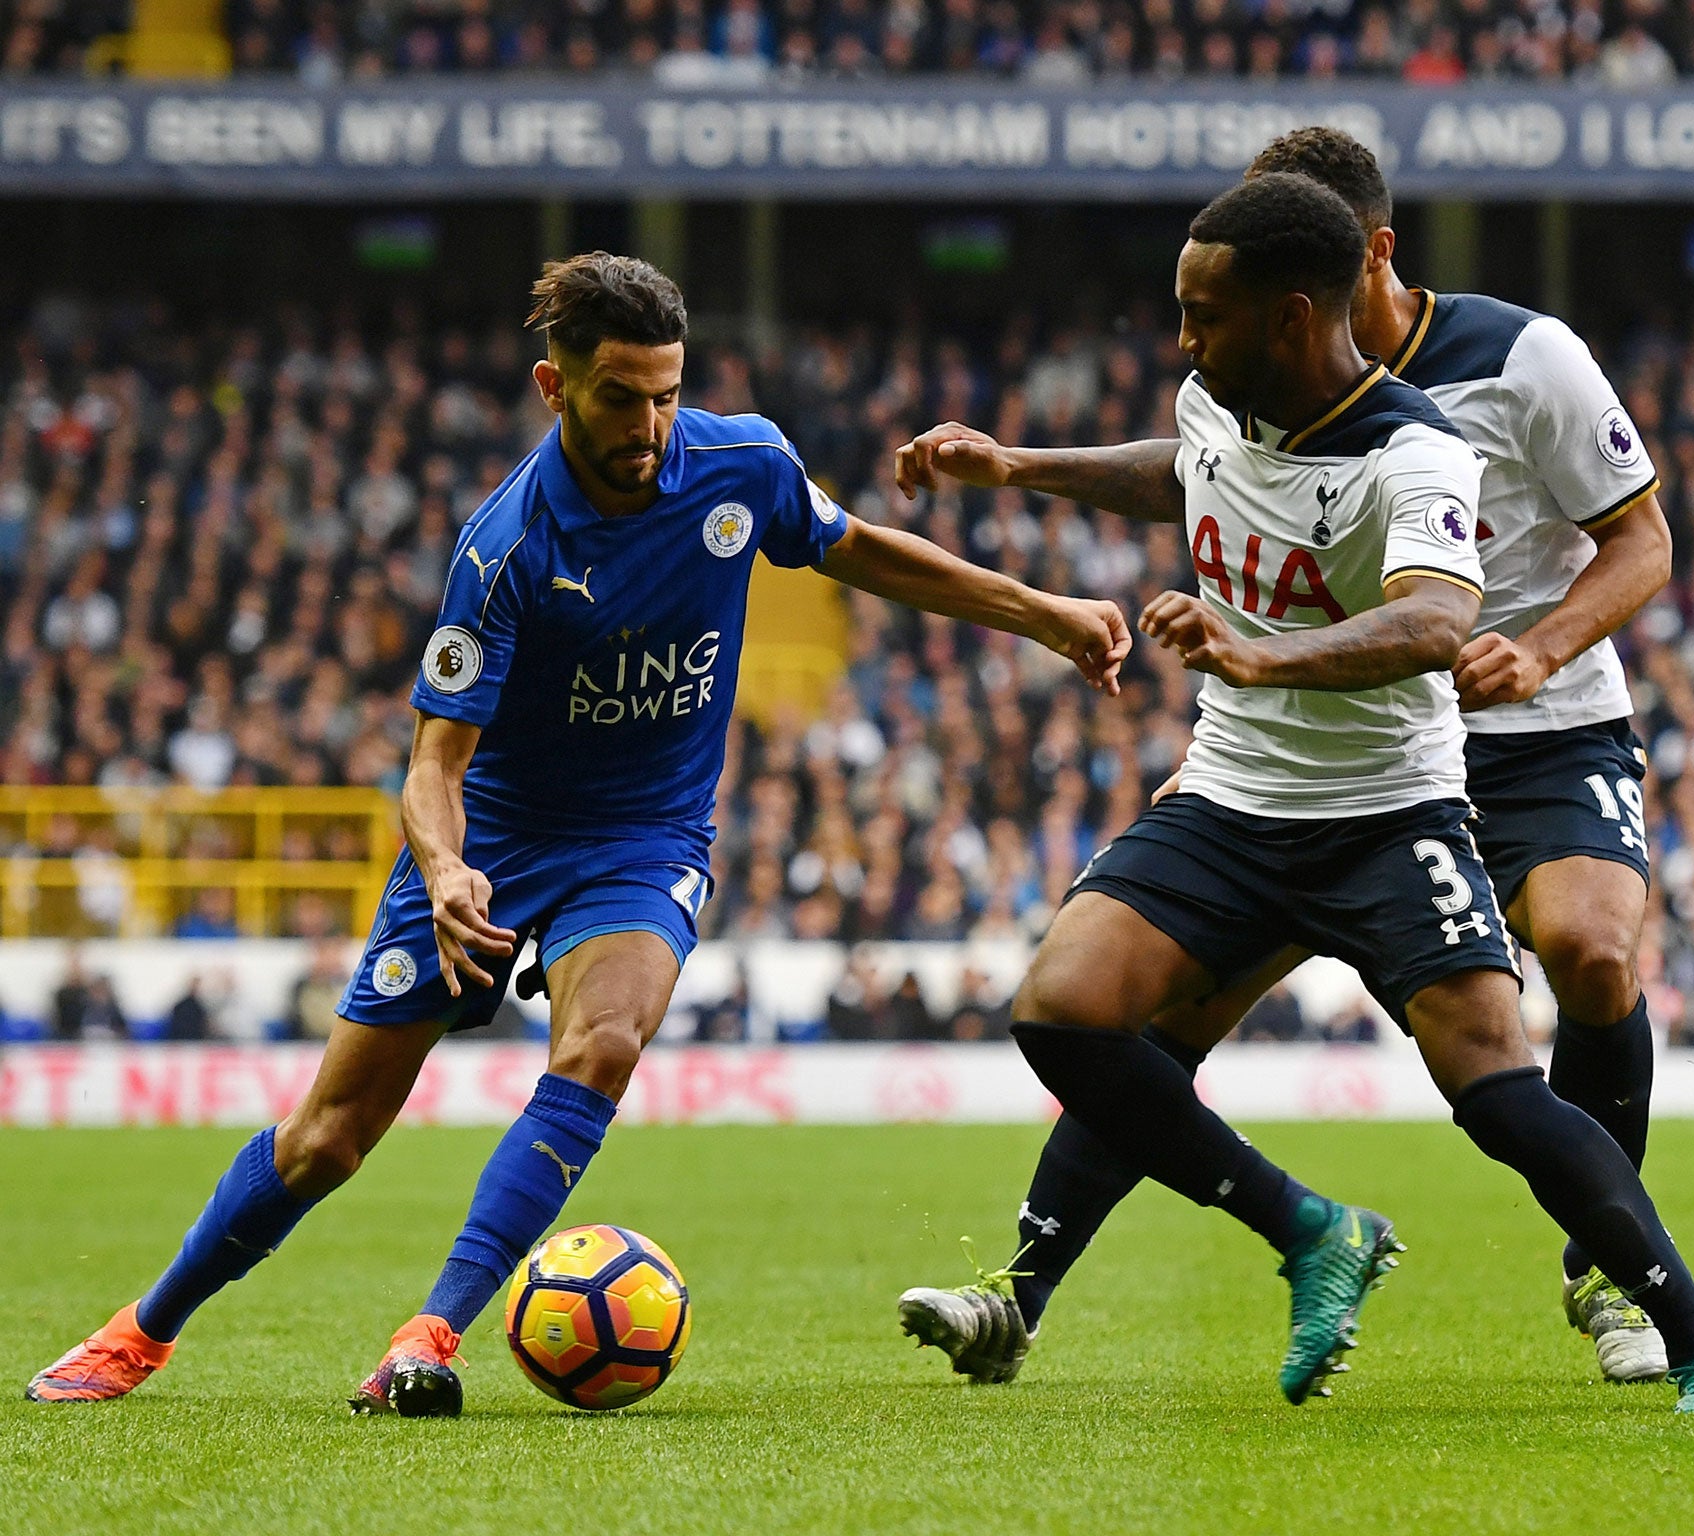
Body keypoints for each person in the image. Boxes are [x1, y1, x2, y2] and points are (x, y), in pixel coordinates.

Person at [28, 252, 1130, 1417]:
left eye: (668, 392)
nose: (653, 423)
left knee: (601, 1043)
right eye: (622, 397)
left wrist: (1041, 611)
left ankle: (429, 1336)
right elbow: (432, 763)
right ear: (555, 389)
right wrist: (447, 867)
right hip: (493, 841)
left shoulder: (742, 463)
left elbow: (854, 547)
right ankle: (141, 1333)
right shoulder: (505, 548)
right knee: (329, 1139)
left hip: (645, 837)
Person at [892, 173, 1694, 1413]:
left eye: (1204, 312)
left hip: (1403, 798)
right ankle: (1285, 1238)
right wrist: (1017, 467)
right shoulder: (1221, 397)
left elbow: (1436, 615)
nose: (1182, 340)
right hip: (1238, 795)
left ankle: (1690, 1328)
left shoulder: (1435, 436)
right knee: (1069, 1010)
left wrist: (1263, 653)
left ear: (1303, 307)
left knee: (1512, 1061)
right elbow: (1189, 470)